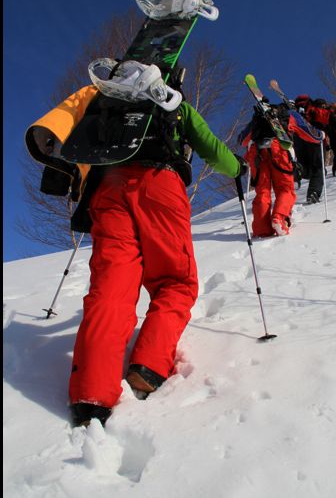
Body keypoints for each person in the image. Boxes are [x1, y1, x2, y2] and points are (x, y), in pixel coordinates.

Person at [26, 65, 247, 427]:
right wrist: (237, 168)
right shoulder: (174, 105)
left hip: (108, 190)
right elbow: (214, 152)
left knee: (112, 284)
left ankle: (90, 394)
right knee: (175, 281)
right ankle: (148, 366)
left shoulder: (104, 100)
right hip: (161, 184)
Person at [239, 104, 296, 237]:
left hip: (257, 152)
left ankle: (261, 229)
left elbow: (242, 140)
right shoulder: (286, 117)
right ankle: (279, 217)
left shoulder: (257, 121)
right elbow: (302, 131)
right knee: (285, 189)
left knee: (262, 192)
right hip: (279, 149)